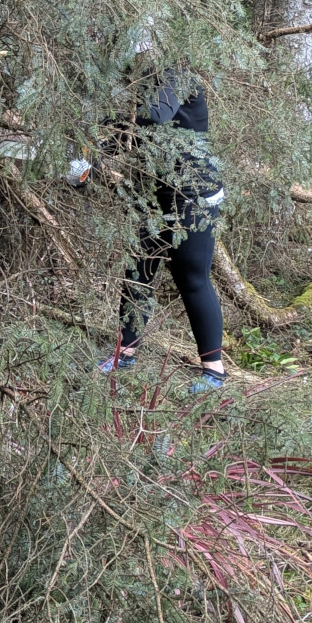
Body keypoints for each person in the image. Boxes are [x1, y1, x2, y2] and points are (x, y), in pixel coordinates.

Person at [72, 76, 227, 393]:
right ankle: (124, 355)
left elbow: (154, 118)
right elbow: (132, 137)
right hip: (155, 195)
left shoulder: (176, 72)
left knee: (192, 279)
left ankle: (214, 373)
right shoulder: (142, 83)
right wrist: (87, 160)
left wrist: (106, 116)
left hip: (194, 197)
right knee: (137, 274)